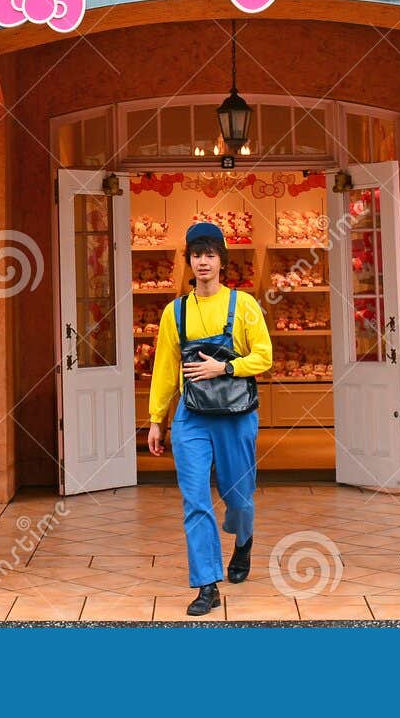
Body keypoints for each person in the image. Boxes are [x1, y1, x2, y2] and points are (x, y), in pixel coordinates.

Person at [147, 221, 273, 616]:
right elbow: (165, 367)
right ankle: (206, 585)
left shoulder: (244, 305)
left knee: (239, 497)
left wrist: (225, 368)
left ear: (222, 261)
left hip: (236, 415)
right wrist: (156, 419)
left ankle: (243, 541)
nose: (203, 262)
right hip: (192, 418)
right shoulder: (175, 311)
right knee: (196, 500)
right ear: (189, 261)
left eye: (210, 254)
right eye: (197, 255)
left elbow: (264, 356)